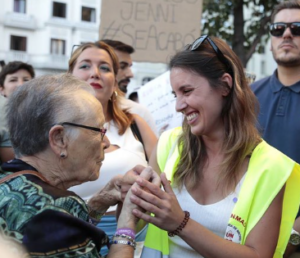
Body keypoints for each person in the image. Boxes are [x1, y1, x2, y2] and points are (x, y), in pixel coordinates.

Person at [127, 35, 300, 258]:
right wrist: (129, 197)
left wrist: (181, 223)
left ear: (225, 85)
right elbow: (138, 222)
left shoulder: (271, 167)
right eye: (175, 94)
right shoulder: (169, 144)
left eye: (187, 91)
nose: (179, 106)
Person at [0, 73, 159, 257]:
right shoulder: (50, 213)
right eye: (98, 130)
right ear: (59, 139)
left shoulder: (9, 180)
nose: (106, 142)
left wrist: (100, 201)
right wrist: (126, 224)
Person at [67, 42, 158, 256]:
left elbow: (162, 179)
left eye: (105, 68)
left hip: (137, 237)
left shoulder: (136, 123)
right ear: (70, 75)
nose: (95, 73)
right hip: (70, 239)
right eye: (85, 66)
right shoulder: (53, 128)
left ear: (115, 80)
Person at [251, 1, 300, 256]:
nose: (287, 34)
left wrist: (294, 235)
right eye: (278, 28)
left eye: (297, 28)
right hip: (242, 238)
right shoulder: (246, 98)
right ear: (270, 39)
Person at [101, 39, 158, 136]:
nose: (130, 74)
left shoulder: (138, 113)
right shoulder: (70, 112)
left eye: (130, 67)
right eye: (122, 67)